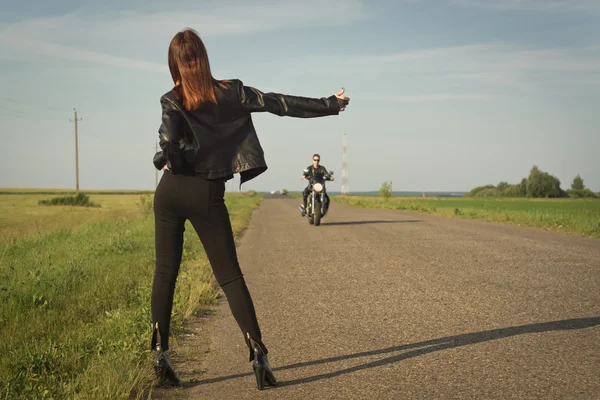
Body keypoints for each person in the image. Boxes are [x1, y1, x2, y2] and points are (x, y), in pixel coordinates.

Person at [150, 28, 349, 390]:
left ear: (174, 64)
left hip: (170, 191)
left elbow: (167, 142)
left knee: (165, 273)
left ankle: (160, 357)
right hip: (206, 192)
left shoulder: (171, 98)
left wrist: (167, 160)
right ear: (204, 59)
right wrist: (330, 104)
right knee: (229, 277)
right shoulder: (232, 91)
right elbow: (279, 103)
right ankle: (259, 356)